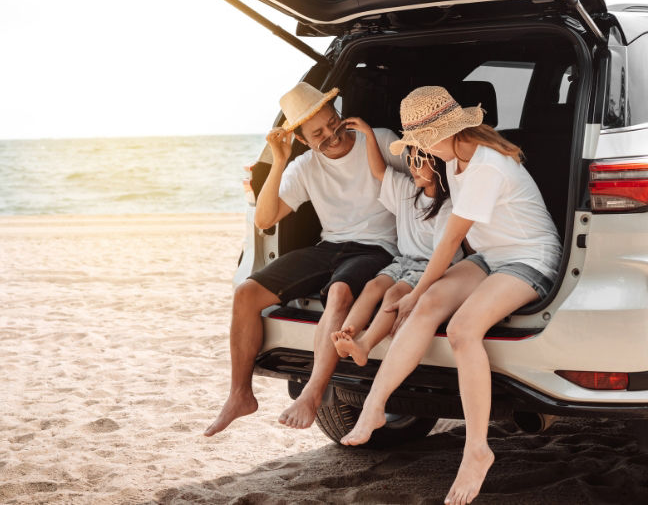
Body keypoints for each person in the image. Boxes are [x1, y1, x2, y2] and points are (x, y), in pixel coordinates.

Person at [339, 86, 562, 505]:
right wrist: (419, 295)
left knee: (461, 329)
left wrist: (415, 289)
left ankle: (477, 449)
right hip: (492, 256)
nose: (420, 152)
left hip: (530, 258)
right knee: (426, 308)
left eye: (421, 142)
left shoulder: (484, 167)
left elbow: (449, 242)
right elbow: (463, 242)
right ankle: (374, 404)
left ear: (445, 132)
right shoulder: (457, 160)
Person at [204, 82, 405, 437]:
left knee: (340, 292)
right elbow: (264, 220)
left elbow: (427, 179)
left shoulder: (379, 138)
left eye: (333, 121)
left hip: (377, 248)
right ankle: (239, 395)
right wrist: (279, 161)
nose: (332, 134)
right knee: (246, 294)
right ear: (302, 138)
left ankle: (312, 396)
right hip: (330, 246)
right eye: (318, 133)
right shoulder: (304, 165)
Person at [330, 115, 460, 367]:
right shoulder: (407, 190)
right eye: (409, 159)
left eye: (419, 160)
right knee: (373, 287)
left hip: (430, 267)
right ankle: (346, 333)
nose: (411, 166)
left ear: (438, 164)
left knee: (394, 293)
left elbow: (444, 255)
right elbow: (379, 170)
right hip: (403, 261)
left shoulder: (449, 206)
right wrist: (369, 134)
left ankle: (364, 345)